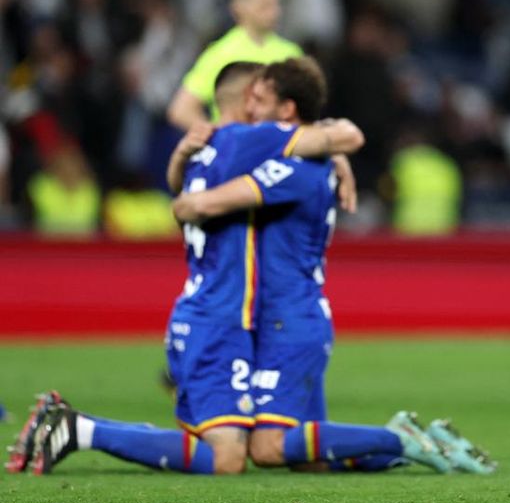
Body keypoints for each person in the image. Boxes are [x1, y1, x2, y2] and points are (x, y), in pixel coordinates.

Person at [7, 61, 364, 476]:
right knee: (233, 456)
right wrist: (333, 151)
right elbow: (348, 134)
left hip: (207, 309)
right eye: (260, 97)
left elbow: (184, 190)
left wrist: (180, 169)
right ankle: (81, 430)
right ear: (249, 100)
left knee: (297, 454)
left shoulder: (203, 148)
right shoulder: (252, 141)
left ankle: (397, 446)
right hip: (220, 316)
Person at [171, 57, 495, 475]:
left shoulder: (289, 162)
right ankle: (411, 448)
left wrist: (191, 202)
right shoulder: (302, 155)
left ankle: (400, 439)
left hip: (287, 319)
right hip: (285, 315)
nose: (252, 108)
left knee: (267, 448)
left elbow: (216, 198)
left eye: (261, 99)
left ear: (286, 111)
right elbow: (339, 137)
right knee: (311, 462)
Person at [166, 0, 302, 131]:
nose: (275, 11)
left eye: (276, 4)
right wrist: (217, 136)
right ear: (239, 7)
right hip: (238, 150)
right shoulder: (220, 53)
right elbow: (181, 110)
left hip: (281, 149)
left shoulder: (291, 52)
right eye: (264, 5)